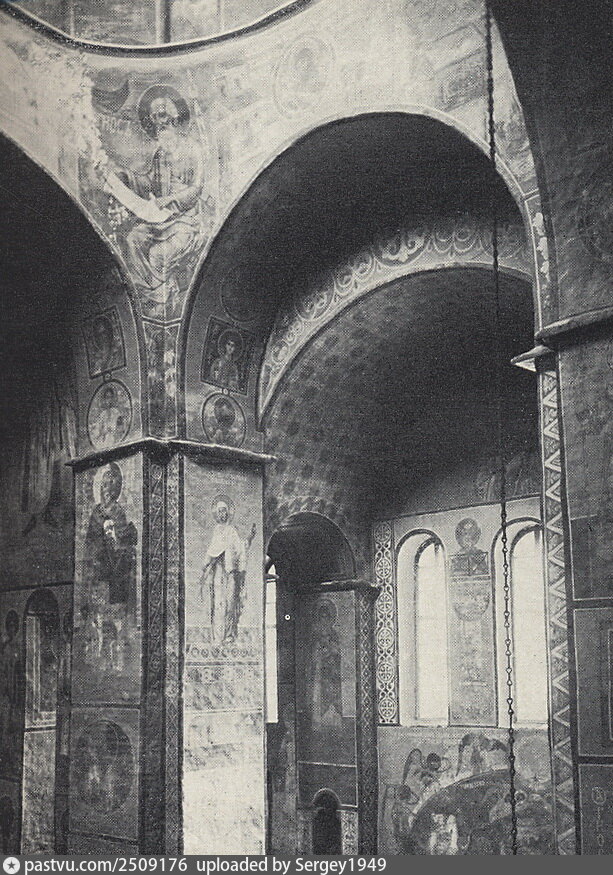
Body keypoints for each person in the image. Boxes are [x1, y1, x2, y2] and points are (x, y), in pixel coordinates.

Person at [114, 86, 204, 299]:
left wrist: (169, 199)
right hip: (162, 220)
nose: (159, 123)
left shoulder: (193, 149)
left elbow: (197, 188)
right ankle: (146, 294)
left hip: (186, 221)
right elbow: (149, 183)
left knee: (157, 254)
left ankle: (161, 295)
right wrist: (126, 177)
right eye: (154, 118)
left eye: (162, 115)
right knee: (132, 239)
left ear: (174, 117)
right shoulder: (160, 154)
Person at [199, 497, 256, 643]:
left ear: (228, 513)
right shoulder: (217, 531)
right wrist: (205, 565)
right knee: (218, 604)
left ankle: (229, 635)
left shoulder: (231, 531)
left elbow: (240, 548)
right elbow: (212, 550)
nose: (222, 514)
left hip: (230, 573)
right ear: (216, 514)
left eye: (224, 511)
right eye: (219, 511)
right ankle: (217, 637)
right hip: (218, 572)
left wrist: (249, 538)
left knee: (231, 603)